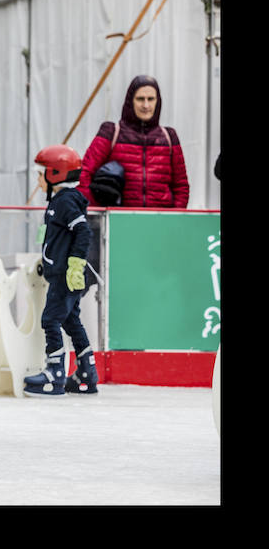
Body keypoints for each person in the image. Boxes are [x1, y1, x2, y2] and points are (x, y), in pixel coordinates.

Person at [23, 145, 97, 397]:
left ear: (55, 174)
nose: (37, 179)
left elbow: (84, 231)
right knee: (70, 320)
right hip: (61, 273)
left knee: (50, 319)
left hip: (66, 276)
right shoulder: (59, 202)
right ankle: (87, 372)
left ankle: (55, 374)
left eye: (40, 174)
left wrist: (75, 264)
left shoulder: (65, 202)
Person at [78, 74, 190, 209]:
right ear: (130, 101)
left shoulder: (170, 136)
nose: (146, 105)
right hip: (119, 221)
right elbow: (84, 175)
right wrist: (102, 211)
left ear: (158, 101)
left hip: (161, 222)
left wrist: (175, 218)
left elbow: (181, 186)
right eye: (140, 99)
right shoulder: (111, 132)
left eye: (151, 99)